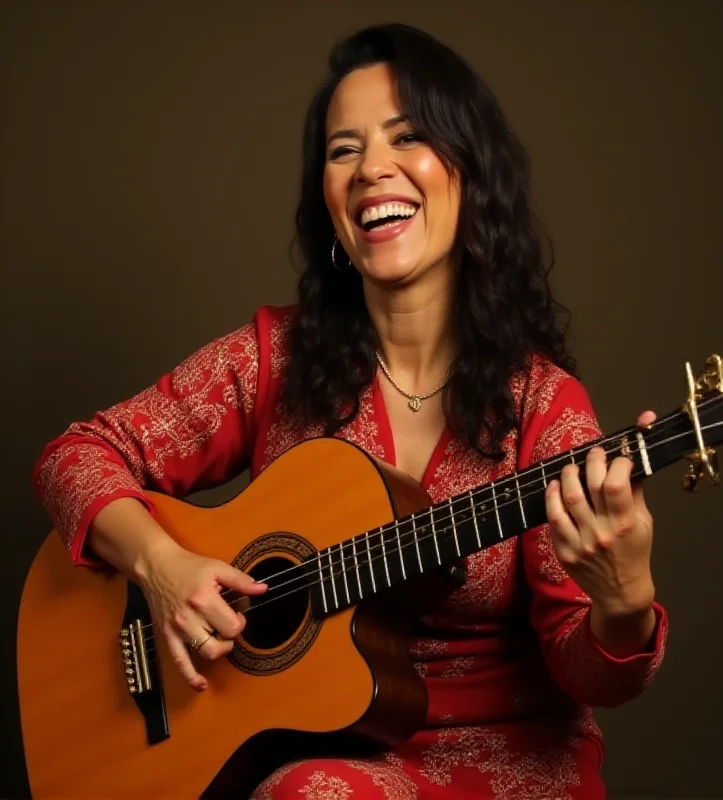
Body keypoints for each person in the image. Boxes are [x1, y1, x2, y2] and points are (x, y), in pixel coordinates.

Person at [32, 22, 667, 800]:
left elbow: (589, 671)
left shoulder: (542, 406)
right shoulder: (273, 358)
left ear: (470, 172)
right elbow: (74, 455)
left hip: (510, 761)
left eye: (407, 138)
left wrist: (625, 598)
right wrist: (162, 569)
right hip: (325, 756)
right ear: (329, 203)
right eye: (343, 150)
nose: (372, 170)